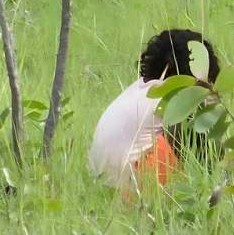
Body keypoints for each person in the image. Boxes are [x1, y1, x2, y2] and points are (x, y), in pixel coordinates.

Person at [89, 29, 220, 193]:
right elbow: (207, 149)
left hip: (102, 185)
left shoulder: (138, 89)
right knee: (200, 124)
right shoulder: (175, 99)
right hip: (132, 191)